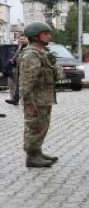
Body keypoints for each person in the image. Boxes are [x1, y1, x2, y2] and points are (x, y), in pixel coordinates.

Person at [18, 23, 59, 167]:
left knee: (42, 126)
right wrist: (28, 103)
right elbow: (26, 82)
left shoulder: (43, 52)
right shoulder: (31, 54)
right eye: (45, 33)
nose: (49, 36)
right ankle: (31, 157)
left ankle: (37, 151)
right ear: (35, 36)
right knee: (34, 127)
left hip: (44, 98)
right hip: (35, 100)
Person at [5, 35, 28, 105]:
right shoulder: (19, 47)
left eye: (23, 39)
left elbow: (25, 58)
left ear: (27, 39)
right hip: (20, 68)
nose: (22, 40)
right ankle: (16, 98)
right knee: (18, 84)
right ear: (18, 40)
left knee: (25, 85)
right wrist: (13, 61)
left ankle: (18, 99)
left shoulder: (28, 47)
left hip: (27, 69)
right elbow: (17, 57)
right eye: (21, 39)